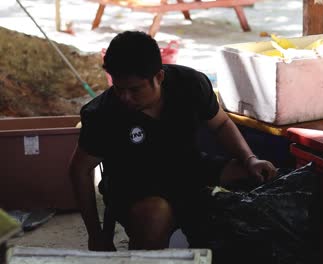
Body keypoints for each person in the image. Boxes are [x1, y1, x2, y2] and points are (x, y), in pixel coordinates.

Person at [68, 30, 278, 251]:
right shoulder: (102, 114)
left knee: (260, 177)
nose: (125, 97)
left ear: (158, 77)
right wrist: (95, 234)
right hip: (133, 185)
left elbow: (221, 124)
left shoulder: (190, 84)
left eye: (135, 89)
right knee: (155, 215)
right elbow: (79, 170)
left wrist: (250, 158)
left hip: (189, 168)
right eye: (119, 89)